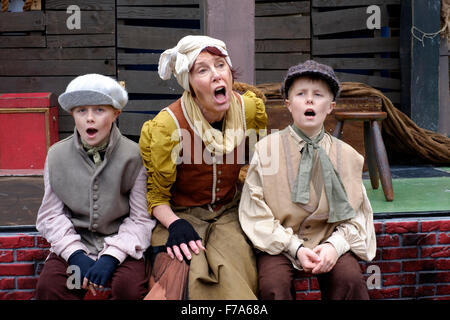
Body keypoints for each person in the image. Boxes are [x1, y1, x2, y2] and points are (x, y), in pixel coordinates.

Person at [139, 35, 267, 300]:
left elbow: (258, 164)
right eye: (203, 70)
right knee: (184, 273)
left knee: (234, 275)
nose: (217, 75)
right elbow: (157, 197)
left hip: (229, 213)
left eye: (220, 65)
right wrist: (175, 225)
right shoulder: (169, 126)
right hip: (182, 215)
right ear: (190, 84)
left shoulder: (249, 110)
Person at [239, 60, 377, 300]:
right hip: (280, 243)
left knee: (350, 281)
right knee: (272, 286)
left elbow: (358, 214)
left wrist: (336, 245)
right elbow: (254, 211)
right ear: (289, 105)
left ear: (330, 106)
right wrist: (295, 247)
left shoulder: (349, 156)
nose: (309, 100)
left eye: (318, 95)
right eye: (301, 94)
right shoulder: (265, 150)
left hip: (328, 238)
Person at [35, 74, 156, 300]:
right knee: (50, 288)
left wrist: (111, 256)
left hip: (122, 246)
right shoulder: (56, 155)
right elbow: (51, 215)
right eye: (81, 111)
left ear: (115, 114)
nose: (89, 118)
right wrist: (75, 255)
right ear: (72, 114)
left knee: (128, 289)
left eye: (99, 110)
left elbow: (141, 218)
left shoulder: (135, 155)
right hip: (76, 244)